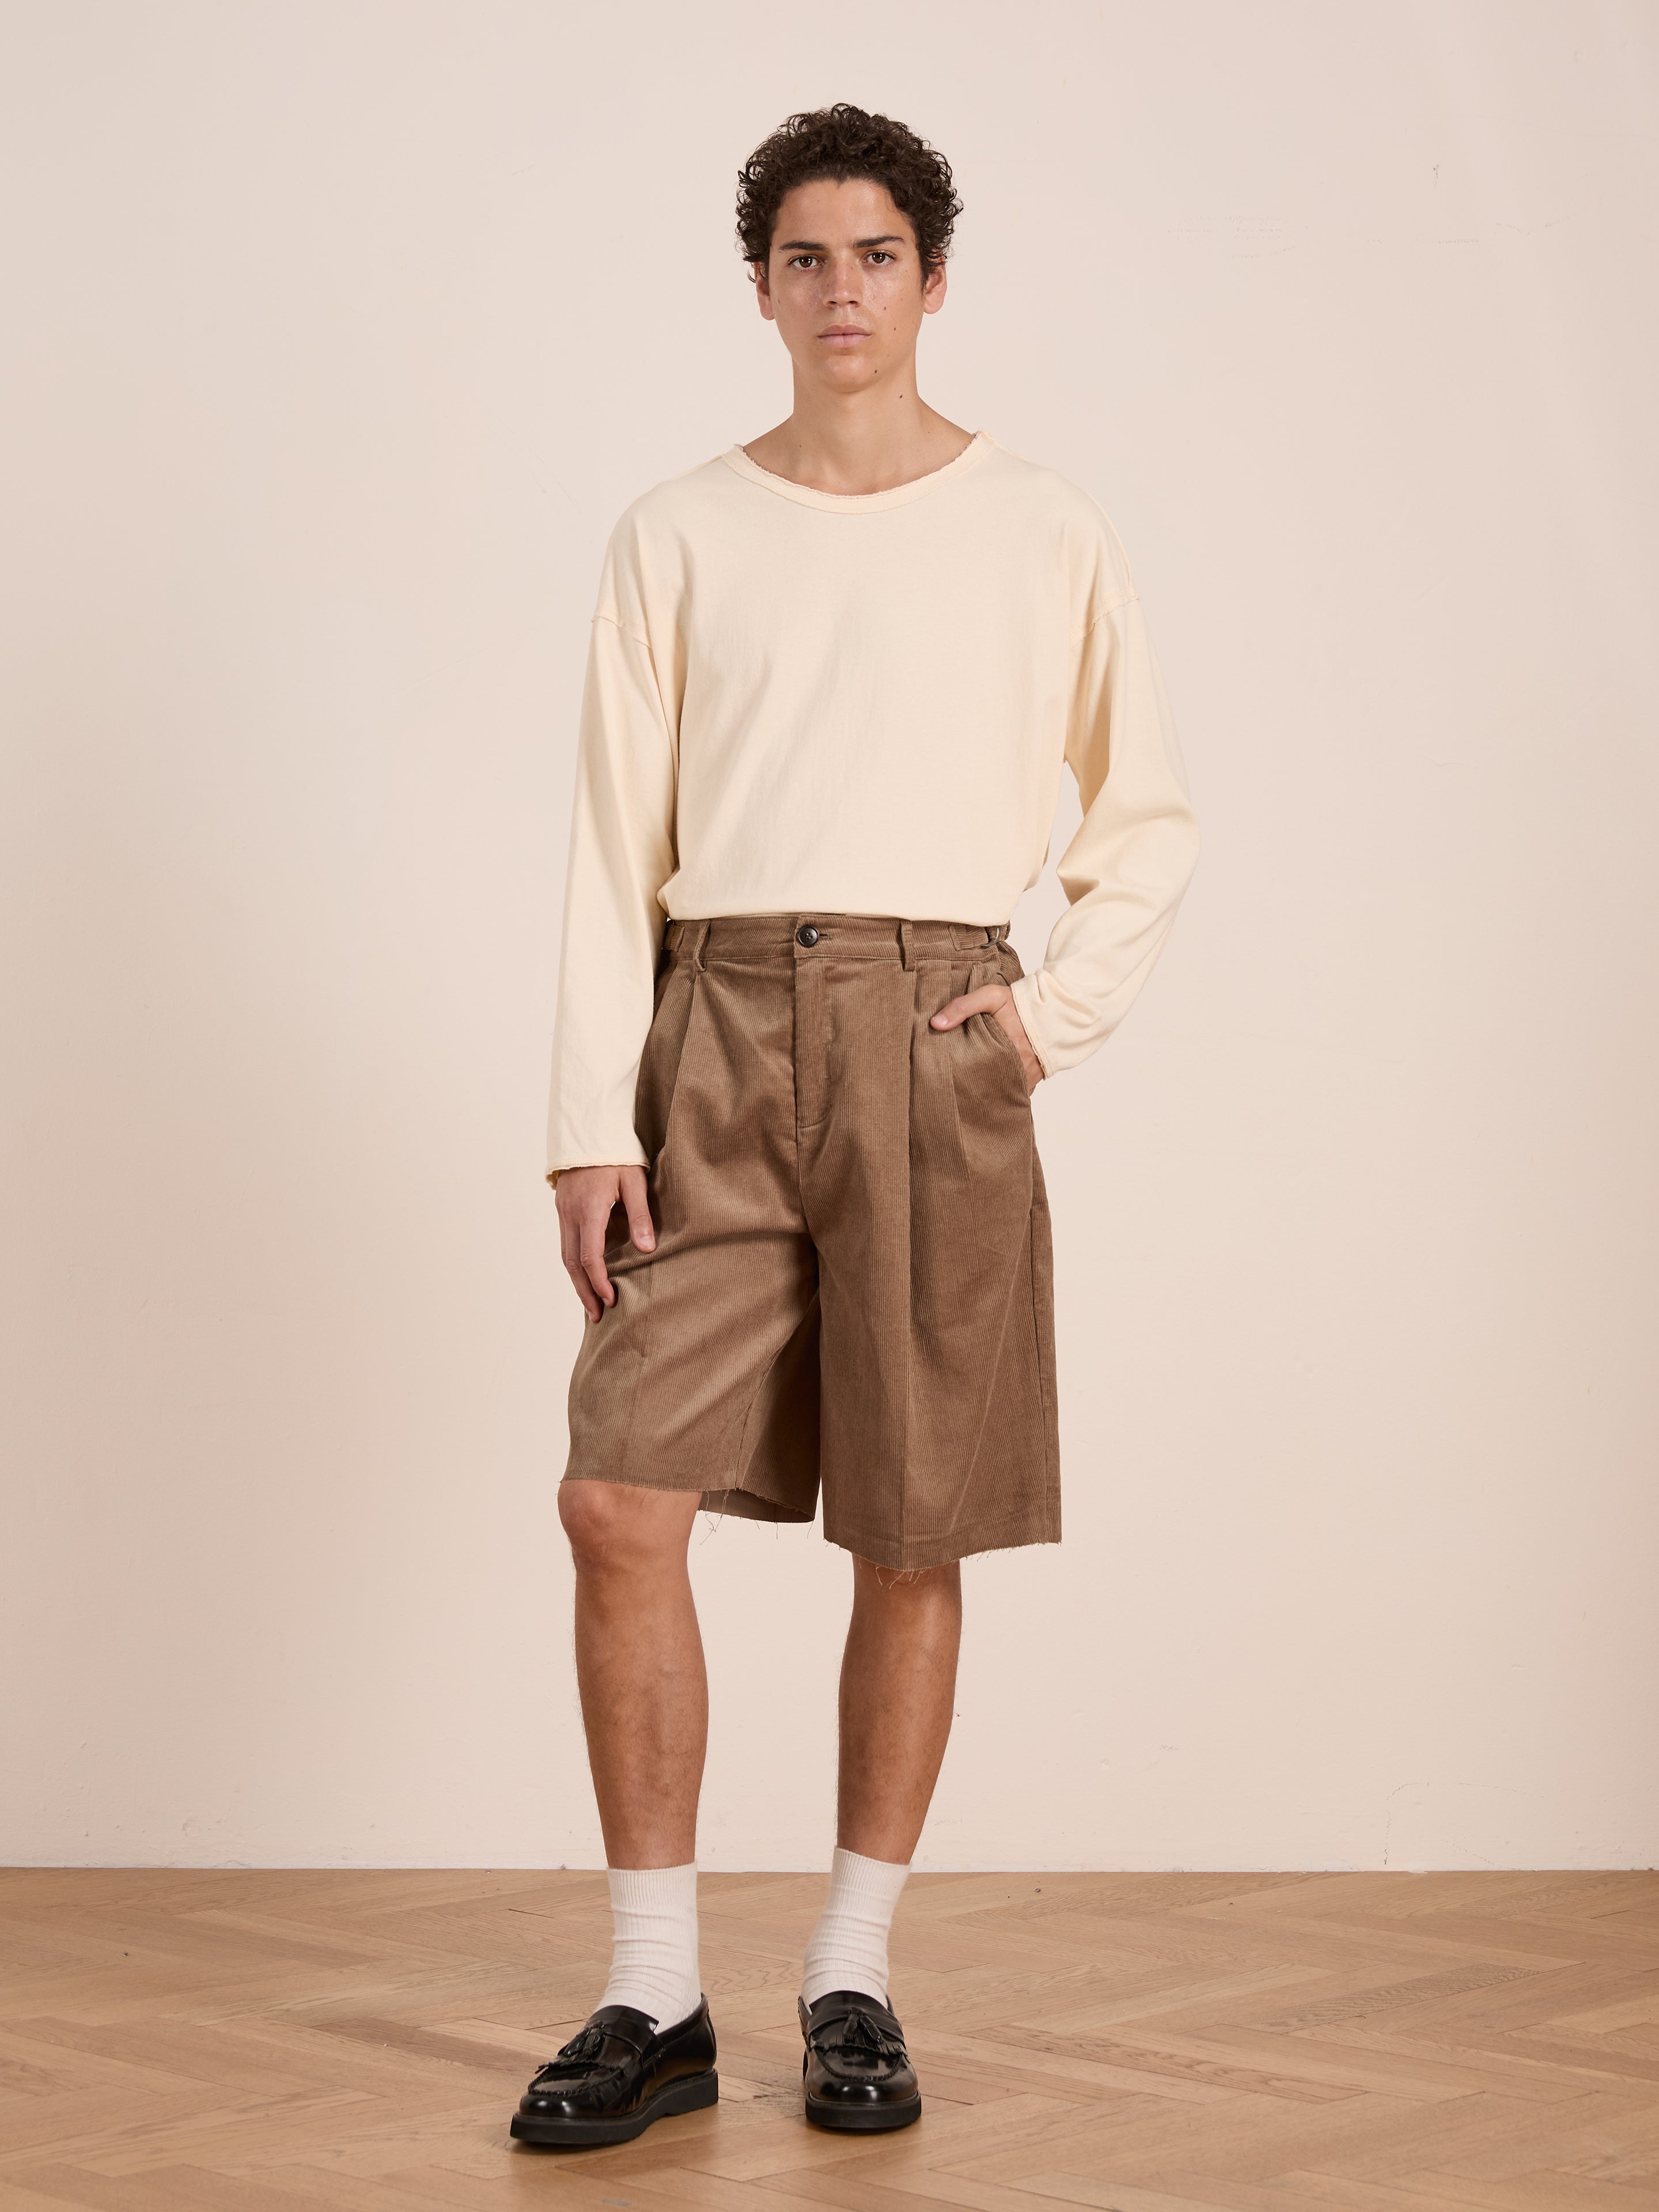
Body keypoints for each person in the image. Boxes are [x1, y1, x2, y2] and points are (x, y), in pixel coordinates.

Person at [510, 102, 1200, 2150]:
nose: (839, 292)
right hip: (712, 1027)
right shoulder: (679, 531)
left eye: (875, 256)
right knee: (618, 1494)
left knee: (912, 1522)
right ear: (759, 284)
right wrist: (583, 1118)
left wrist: (1042, 1018)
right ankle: (653, 1990)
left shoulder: (1042, 523)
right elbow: (601, 850)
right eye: (803, 258)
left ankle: (851, 1977)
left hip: (933, 1026)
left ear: (932, 279)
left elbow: (1146, 817)